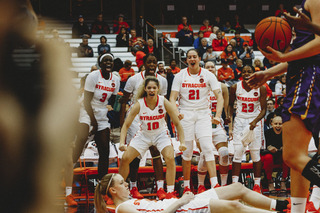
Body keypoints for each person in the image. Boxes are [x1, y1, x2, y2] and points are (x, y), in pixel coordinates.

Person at [247, 1, 320, 211]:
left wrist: (283, 56)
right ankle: (298, 210)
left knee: (291, 156)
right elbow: (305, 53)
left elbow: (318, 45)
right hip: (303, 75)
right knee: (298, 156)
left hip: (308, 77)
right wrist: (269, 72)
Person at [119, 76, 186, 198]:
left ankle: (170, 191)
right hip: (144, 135)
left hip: (160, 134)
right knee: (125, 159)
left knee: (170, 158)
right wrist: (121, 143)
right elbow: (126, 125)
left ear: (158, 89)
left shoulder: (163, 101)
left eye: (154, 88)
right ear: (145, 89)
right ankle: (120, 190)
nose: (151, 90)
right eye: (149, 87)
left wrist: (182, 142)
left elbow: (177, 123)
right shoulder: (139, 104)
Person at [170, 49, 224, 193]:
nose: (192, 59)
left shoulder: (208, 75)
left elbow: (220, 97)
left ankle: (215, 185)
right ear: (186, 60)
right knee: (187, 152)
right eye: (189, 57)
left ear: (199, 58)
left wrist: (217, 116)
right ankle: (187, 186)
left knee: (207, 148)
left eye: (194, 56)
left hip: (203, 114)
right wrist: (176, 113)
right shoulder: (180, 76)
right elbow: (172, 98)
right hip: (185, 114)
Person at [94, 173, 290, 213]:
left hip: (181, 203)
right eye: (122, 182)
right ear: (113, 190)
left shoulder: (130, 202)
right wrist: (180, 202)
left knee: (238, 188)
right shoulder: (122, 209)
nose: (127, 184)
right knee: (234, 207)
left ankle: (280, 205)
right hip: (180, 209)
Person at [119, 54, 168, 200]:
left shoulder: (163, 81)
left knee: (156, 152)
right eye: (149, 62)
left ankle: (160, 188)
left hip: (155, 119)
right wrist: (123, 123)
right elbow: (124, 100)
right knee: (135, 156)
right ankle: (133, 187)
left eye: (154, 62)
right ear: (144, 64)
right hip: (136, 120)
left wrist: (164, 122)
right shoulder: (134, 79)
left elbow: (163, 103)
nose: (152, 65)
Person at [228, 65, 267, 193]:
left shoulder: (261, 88)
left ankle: (257, 185)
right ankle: (235, 184)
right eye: (244, 71)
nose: (246, 73)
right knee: (238, 152)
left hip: (254, 122)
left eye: (249, 71)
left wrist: (254, 121)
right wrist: (229, 117)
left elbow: (264, 110)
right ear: (241, 73)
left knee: (255, 154)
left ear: (252, 73)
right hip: (240, 121)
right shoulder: (235, 87)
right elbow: (230, 105)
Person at [83, 53, 120, 179]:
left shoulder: (115, 79)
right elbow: (86, 101)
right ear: (100, 63)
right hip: (86, 111)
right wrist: (93, 122)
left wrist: (119, 103)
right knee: (78, 147)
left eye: (110, 60)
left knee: (105, 151)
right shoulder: (93, 76)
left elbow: (113, 101)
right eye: (105, 60)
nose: (108, 62)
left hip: (101, 114)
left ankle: (101, 183)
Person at [197, 61, 230, 192]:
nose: (210, 69)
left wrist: (231, 127)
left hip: (217, 125)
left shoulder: (222, 87)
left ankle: (223, 186)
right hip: (201, 125)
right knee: (205, 154)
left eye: (212, 67)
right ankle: (200, 185)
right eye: (207, 67)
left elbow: (226, 111)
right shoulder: (198, 86)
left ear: (216, 70)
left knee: (224, 153)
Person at [261, 116, 289, 194]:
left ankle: (283, 180)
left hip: (281, 155)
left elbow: (291, 146)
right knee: (268, 157)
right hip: (268, 155)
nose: (278, 126)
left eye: (280, 124)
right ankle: (270, 181)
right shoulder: (266, 133)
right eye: (276, 124)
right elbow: (262, 148)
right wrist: (268, 147)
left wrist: (285, 147)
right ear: (272, 124)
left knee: (286, 156)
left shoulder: (286, 133)